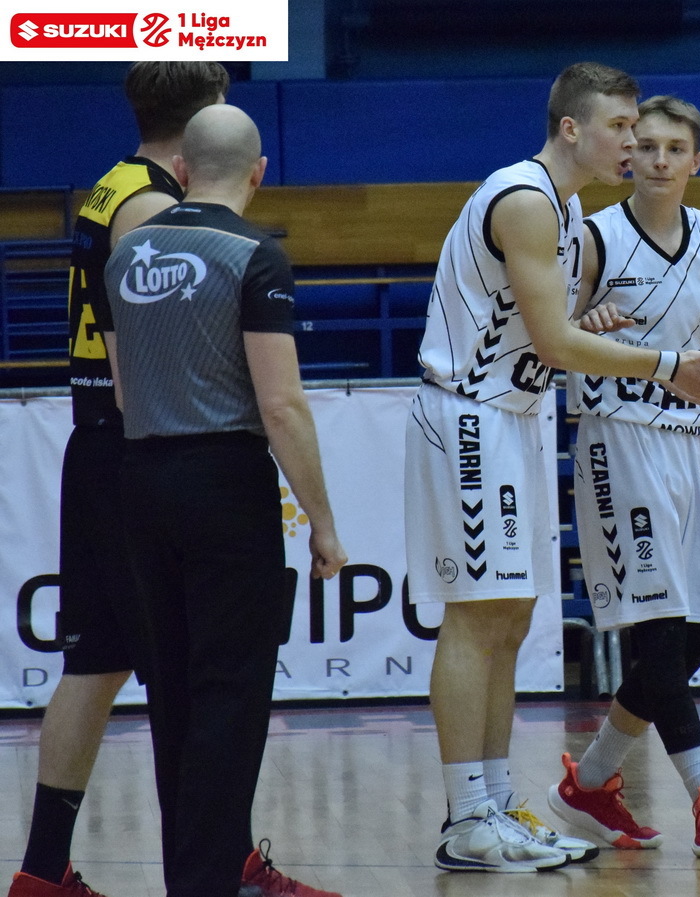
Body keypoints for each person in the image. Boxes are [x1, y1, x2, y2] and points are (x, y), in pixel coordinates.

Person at [405, 63, 700, 874]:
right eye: (620, 127)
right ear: (571, 128)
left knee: (511, 618)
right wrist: (666, 364)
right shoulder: (526, 200)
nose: (632, 141)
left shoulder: (562, 208)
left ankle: (496, 803)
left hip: (517, 414)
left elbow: (548, 331)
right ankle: (466, 816)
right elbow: (557, 346)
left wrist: (591, 325)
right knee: (476, 617)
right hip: (471, 414)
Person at [103, 104, 348, 897]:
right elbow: (281, 405)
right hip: (223, 483)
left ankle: (191, 880)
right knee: (230, 692)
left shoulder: (124, 254)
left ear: (180, 171)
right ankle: (211, 883)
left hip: (139, 479)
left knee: (172, 690)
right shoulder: (254, 255)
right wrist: (322, 520)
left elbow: (122, 388)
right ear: (258, 172)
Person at [8, 61, 229, 897]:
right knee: (185, 673)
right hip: (135, 452)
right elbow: (147, 354)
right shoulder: (153, 207)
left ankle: (42, 870)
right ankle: (217, 867)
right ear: (203, 120)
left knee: (96, 664)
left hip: (99, 446)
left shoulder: (113, 184)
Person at [543, 95, 700, 859]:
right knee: (661, 633)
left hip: (696, 444)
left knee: (695, 638)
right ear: (629, 155)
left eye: (676, 148)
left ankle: (591, 779)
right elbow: (548, 338)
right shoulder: (592, 238)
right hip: (622, 439)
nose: (660, 159)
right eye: (649, 145)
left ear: (697, 161)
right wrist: (585, 326)